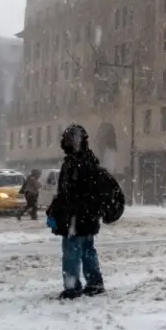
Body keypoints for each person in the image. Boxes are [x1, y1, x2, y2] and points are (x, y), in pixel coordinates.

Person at [47, 124, 105, 300]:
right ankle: (94, 283)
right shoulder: (89, 160)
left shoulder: (75, 162)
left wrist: (60, 209)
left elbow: (69, 193)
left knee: (71, 252)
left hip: (75, 217)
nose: (65, 142)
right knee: (88, 250)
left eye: (68, 139)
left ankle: (72, 287)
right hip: (87, 216)